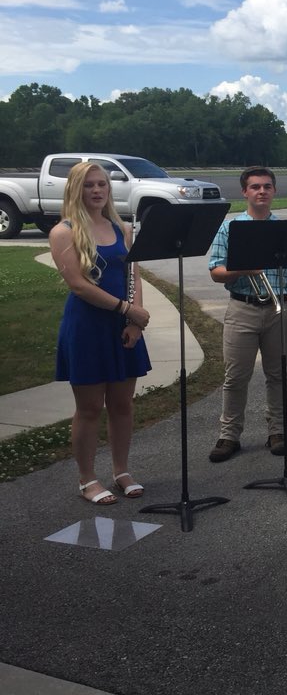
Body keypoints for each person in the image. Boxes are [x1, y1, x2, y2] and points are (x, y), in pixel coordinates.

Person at [49, 162, 152, 504]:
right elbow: (78, 285)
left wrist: (135, 321)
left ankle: (121, 470)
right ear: (76, 190)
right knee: (90, 407)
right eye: (89, 185)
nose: (96, 191)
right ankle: (87, 479)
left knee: (122, 404)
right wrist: (126, 310)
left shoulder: (121, 228)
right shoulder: (64, 231)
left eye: (102, 184)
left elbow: (133, 275)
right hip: (87, 327)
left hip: (123, 325)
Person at [207, 166, 287, 462]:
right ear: (245, 191)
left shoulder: (285, 229)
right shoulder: (230, 228)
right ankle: (229, 435)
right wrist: (245, 269)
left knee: (278, 374)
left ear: (274, 191)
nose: (262, 191)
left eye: (267, 186)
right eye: (255, 187)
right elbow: (216, 271)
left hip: (281, 308)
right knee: (235, 376)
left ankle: (278, 431)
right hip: (242, 307)